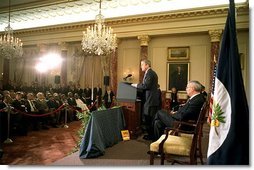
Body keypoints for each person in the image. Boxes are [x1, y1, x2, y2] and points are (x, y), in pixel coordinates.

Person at [131, 59, 160, 140]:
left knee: (149, 118)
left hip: (150, 100)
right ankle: (151, 135)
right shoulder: (148, 73)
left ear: (147, 65)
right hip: (149, 99)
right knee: (148, 118)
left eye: (142, 65)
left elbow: (146, 86)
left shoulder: (150, 73)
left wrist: (135, 85)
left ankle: (152, 136)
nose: (141, 67)